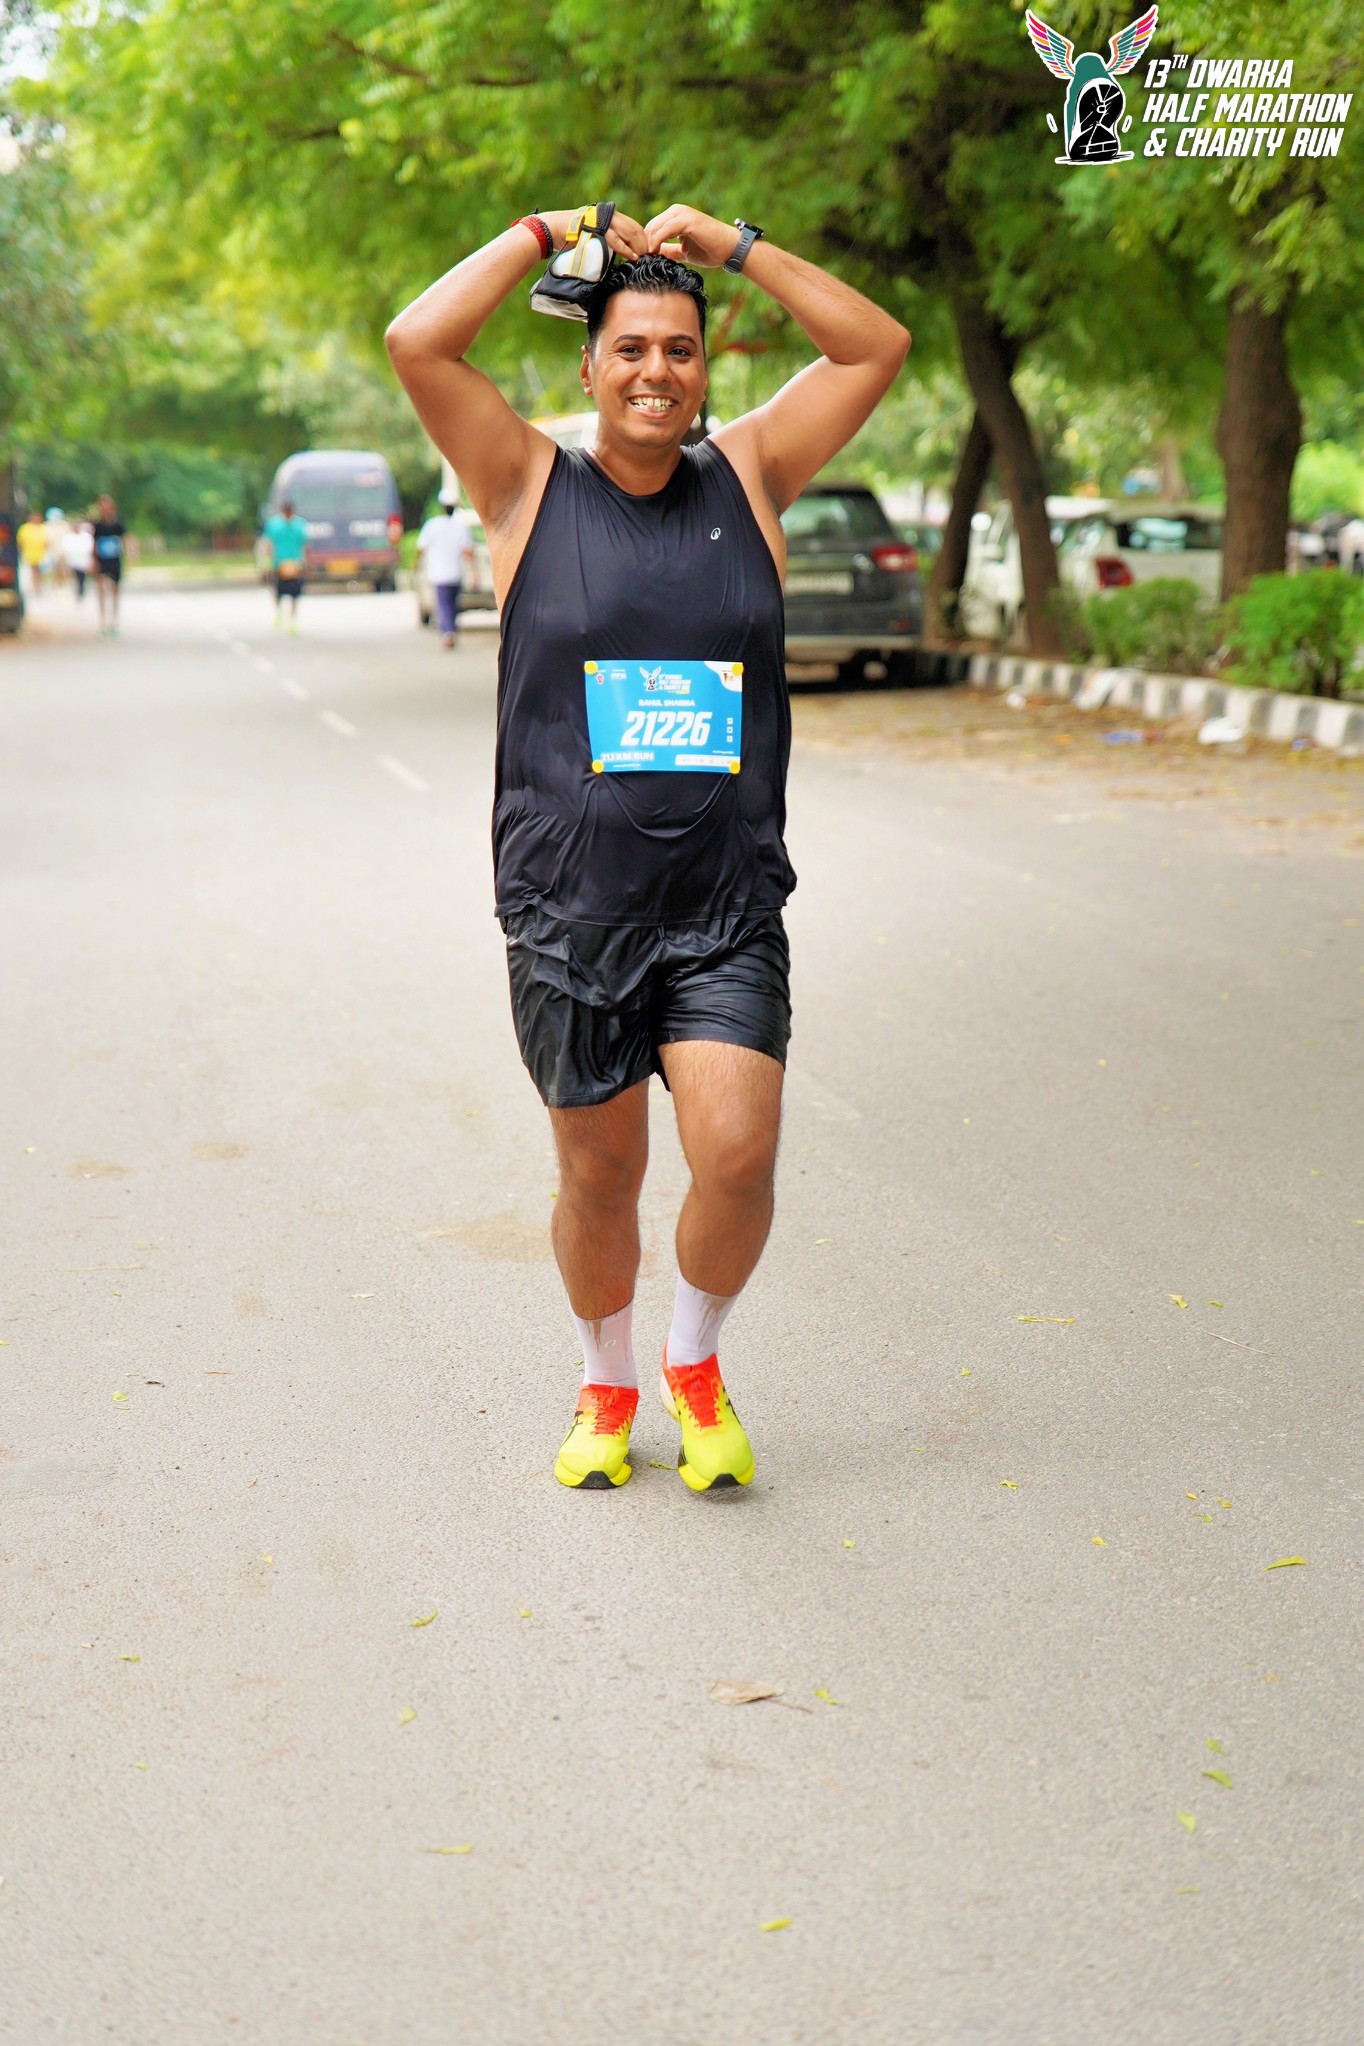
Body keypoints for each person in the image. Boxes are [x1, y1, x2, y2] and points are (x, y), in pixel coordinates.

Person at [386, 204, 908, 1492]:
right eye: (629, 348)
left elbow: (873, 346)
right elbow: (417, 342)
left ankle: (693, 1360)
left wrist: (736, 247)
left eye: (679, 349)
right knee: (599, 1175)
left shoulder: (752, 474)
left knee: (737, 1156)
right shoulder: (523, 485)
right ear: (588, 366)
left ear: (702, 367)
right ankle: (605, 1381)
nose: (655, 371)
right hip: (569, 910)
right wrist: (538, 232)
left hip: (722, 906)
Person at [416, 491, 476, 647]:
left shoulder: (432, 525)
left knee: (445, 604)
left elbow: (421, 548)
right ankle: (450, 631)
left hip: (439, 574)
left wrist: (417, 565)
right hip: (455, 573)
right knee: (451, 604)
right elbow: (468, 551)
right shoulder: (460, 527)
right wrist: (475, 572)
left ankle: (448, 632)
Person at [262, 497, 310, 632]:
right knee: (278, 591)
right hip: (279, 562)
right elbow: (268, 544)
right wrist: (267, 563)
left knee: (295, 593)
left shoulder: (300, 524)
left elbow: (304, 544)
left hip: (295, 563)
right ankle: (279, 613)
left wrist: (305, 563)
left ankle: (293, 620)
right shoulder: (274, 525)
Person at [91, 494, 126, 636]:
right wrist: (94, 560)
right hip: (102, 561)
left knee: (115, 591)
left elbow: (125, 537)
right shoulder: (97, 525)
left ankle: (114, 622)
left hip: (115, 560)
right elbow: (94, 543)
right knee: (101, 590)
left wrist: (130, 552)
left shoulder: (118, 523)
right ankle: (103, 622)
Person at [16, 508, 48, 599]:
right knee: (32, 571)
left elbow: (47, 541)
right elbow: (20, 542)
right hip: (29, 553)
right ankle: (34, 587)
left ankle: (39, 586)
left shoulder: (43, 528)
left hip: (41, 554)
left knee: (40, 571)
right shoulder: (25, 528)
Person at [64, 514, 94, 601]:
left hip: (82, 560)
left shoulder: (86, 536)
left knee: (81, 576)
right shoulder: (69, 536)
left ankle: (81, 591)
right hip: (72, 560)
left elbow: (89, 547)